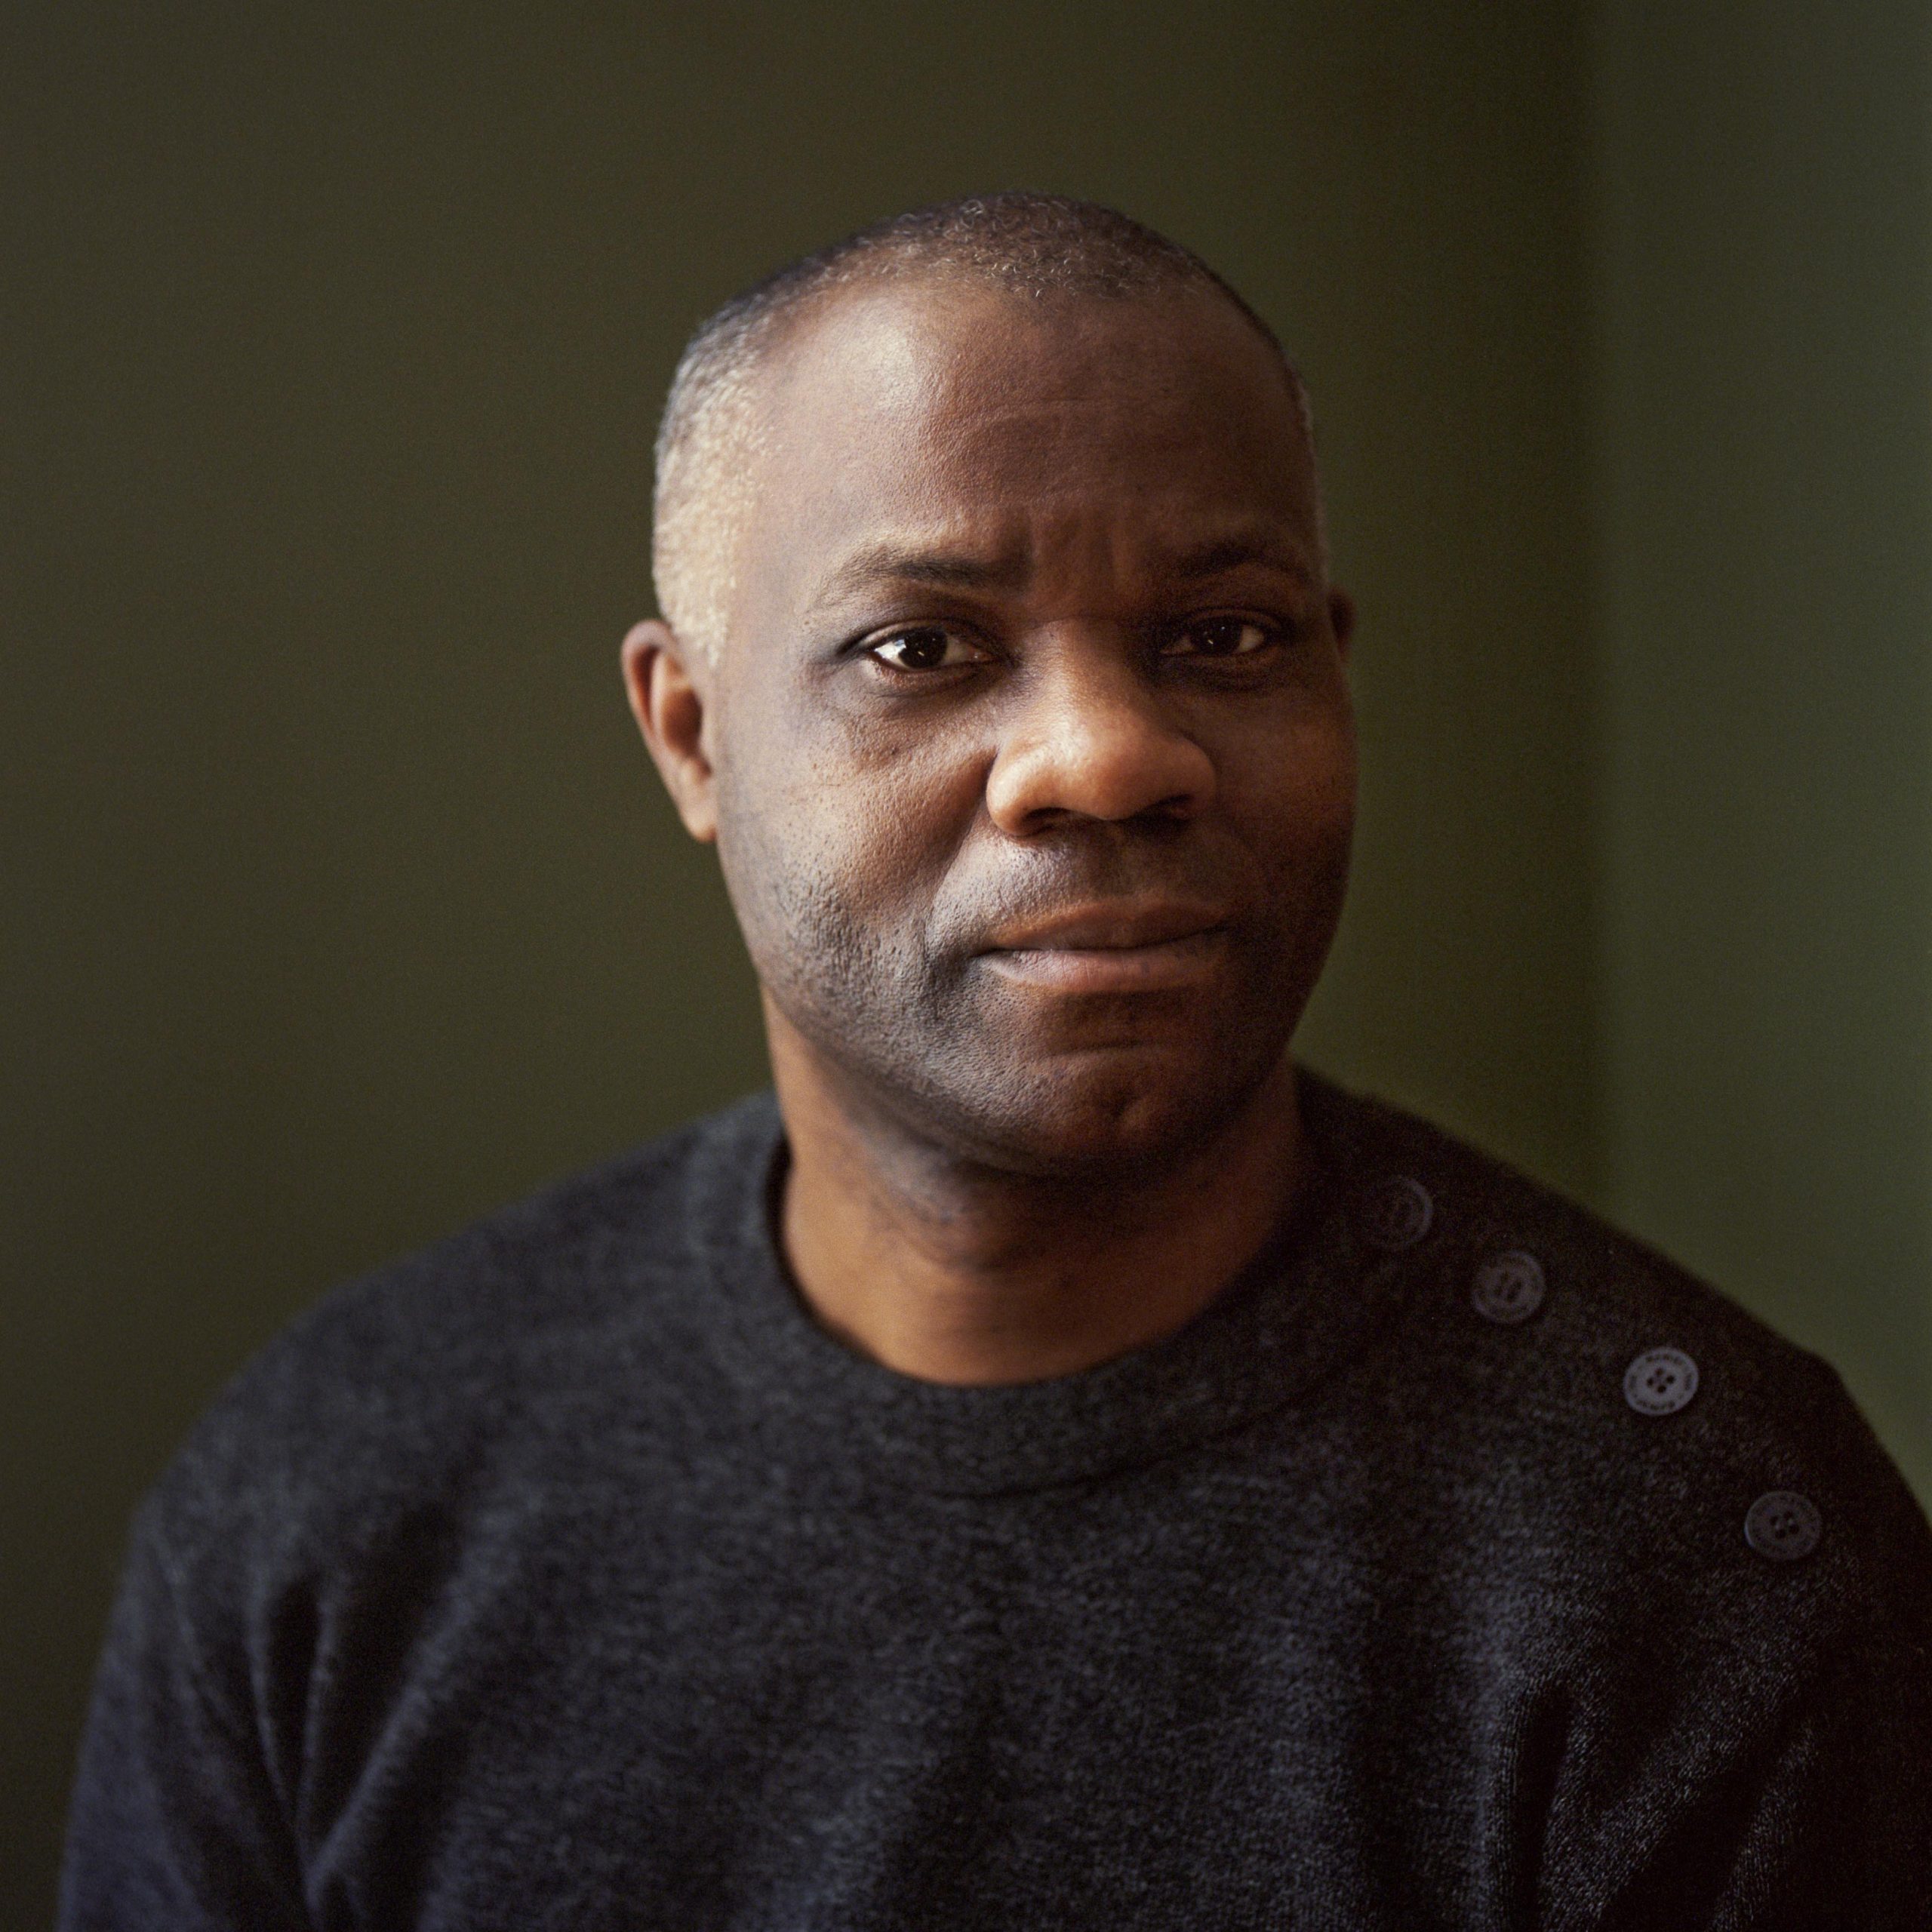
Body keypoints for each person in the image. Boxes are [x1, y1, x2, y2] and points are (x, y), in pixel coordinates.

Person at [60, 194, 1932, 1929]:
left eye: (1224, 634)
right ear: (692, 734)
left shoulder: (1707, 1557)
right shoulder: (329, 1500)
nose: (1105, 755)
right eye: (919, 647)